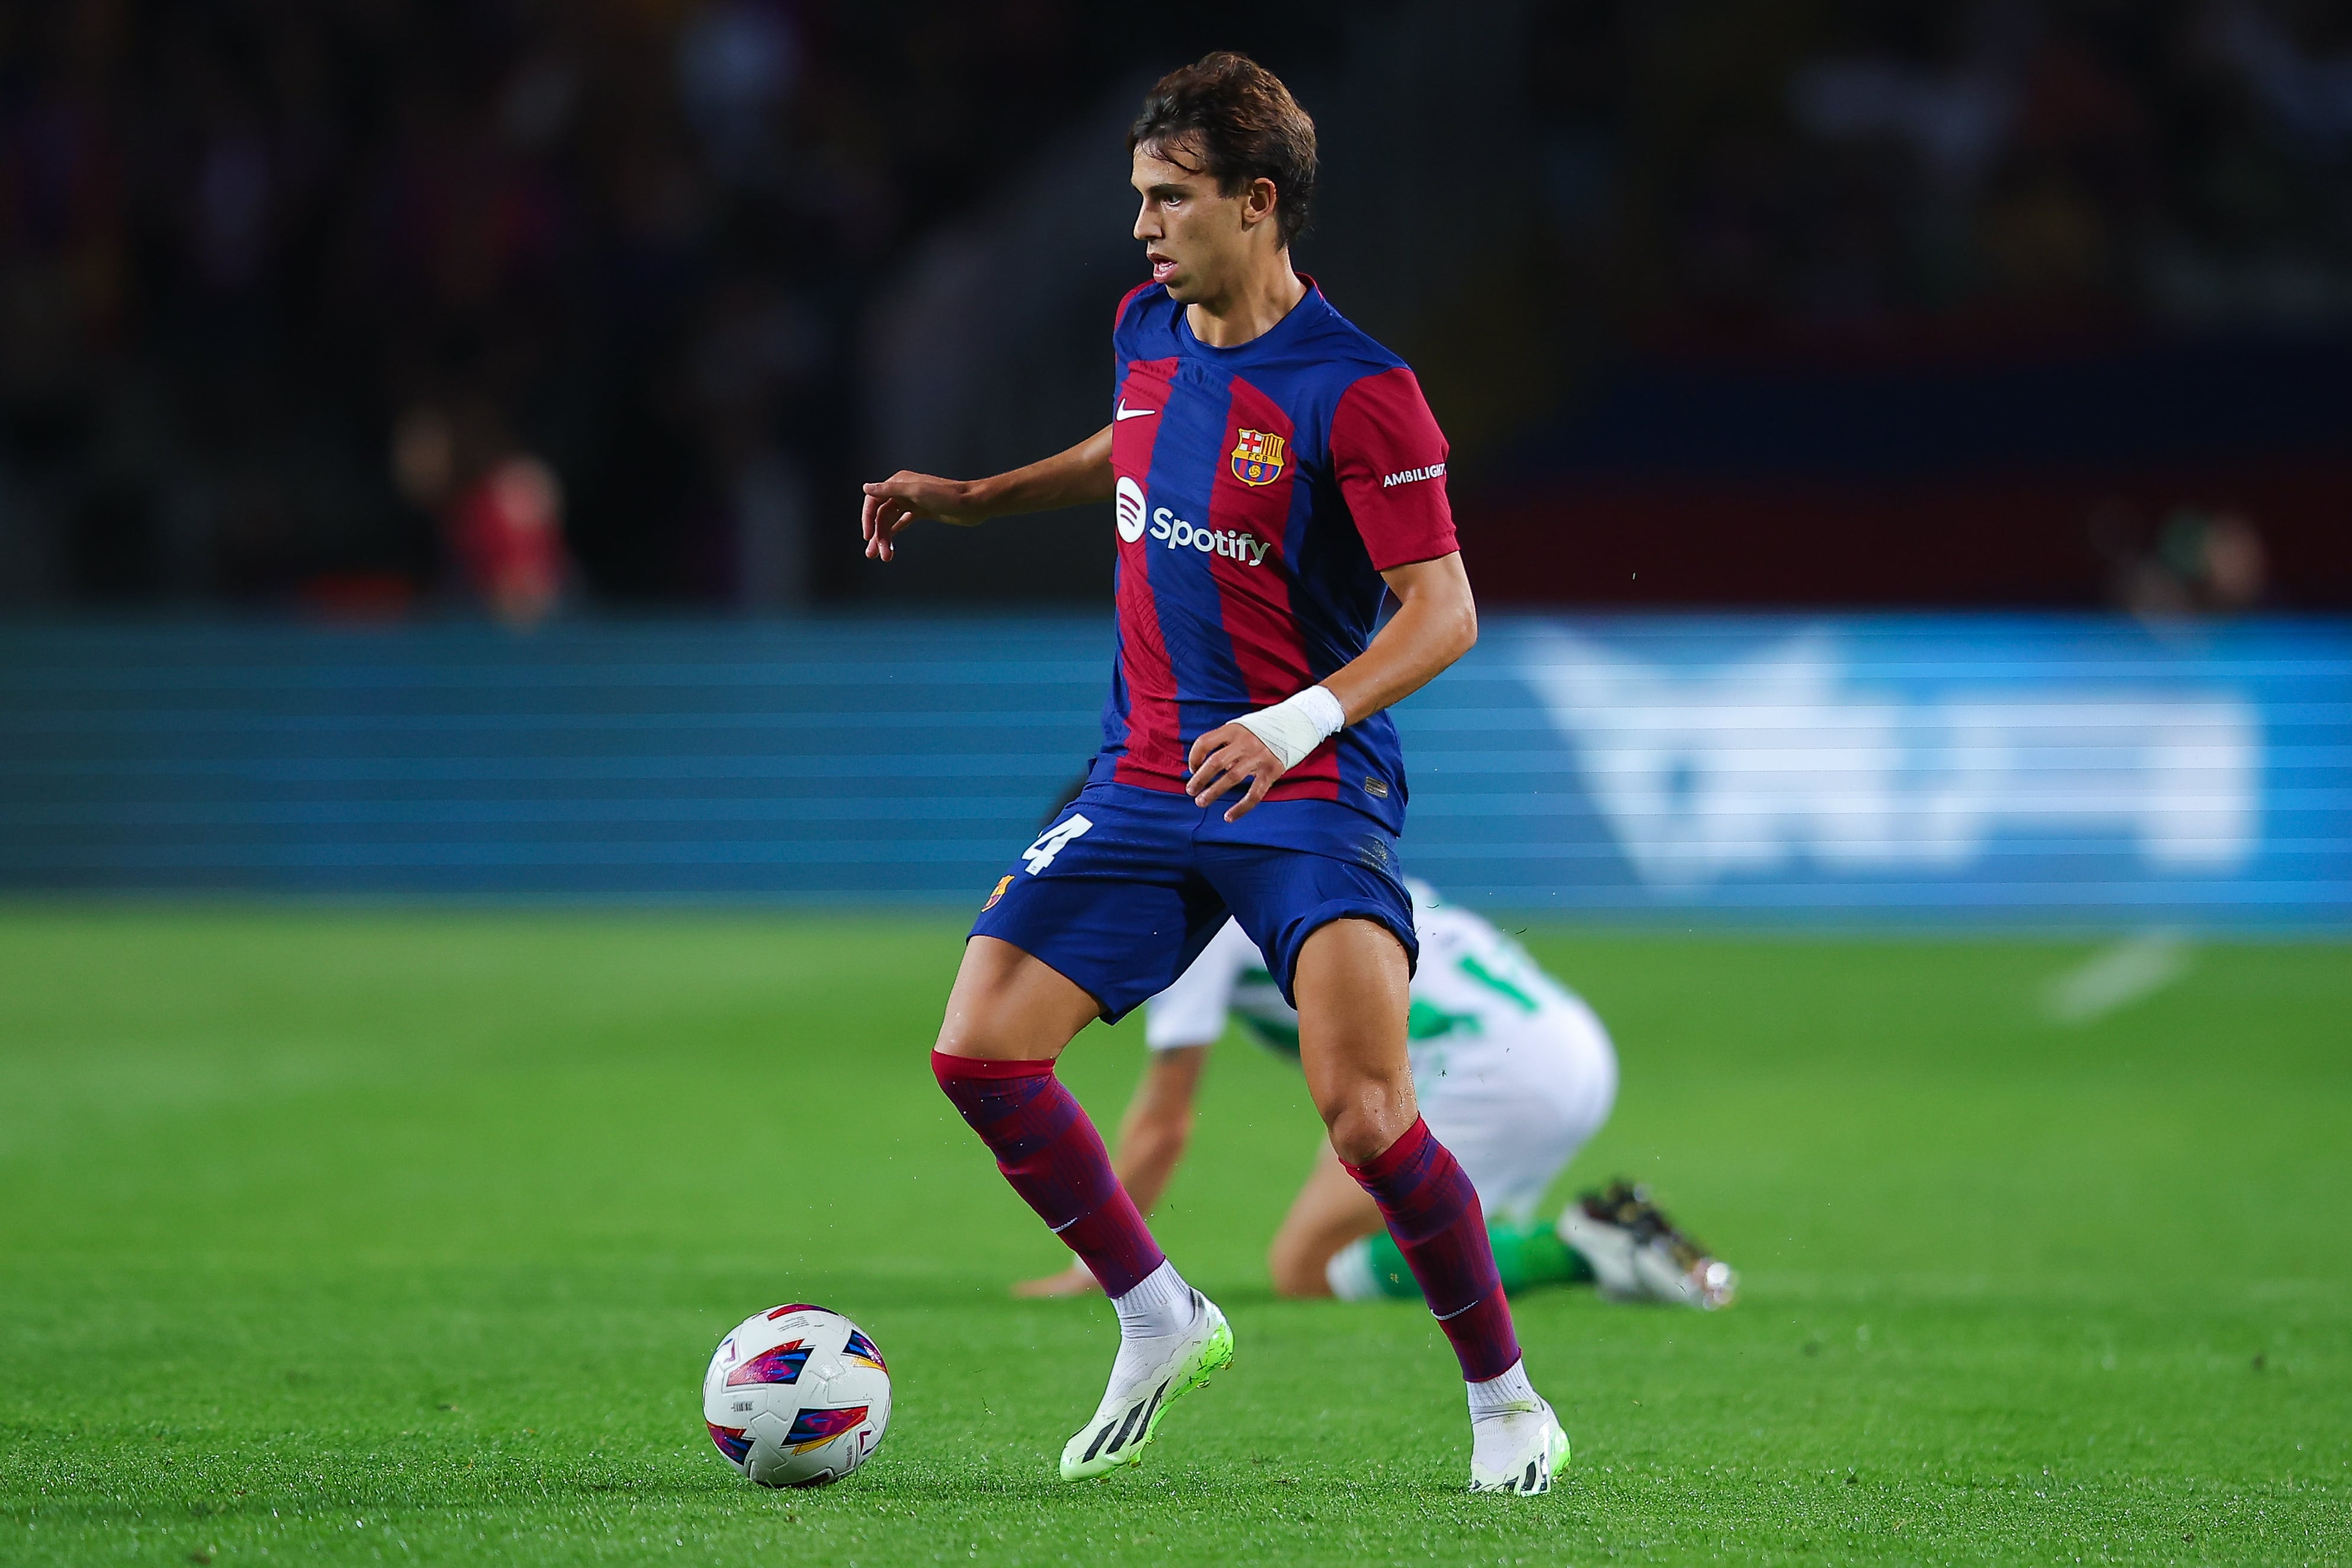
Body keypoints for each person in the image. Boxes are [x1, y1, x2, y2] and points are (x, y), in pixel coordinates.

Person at [859, 54, 1564, 1493]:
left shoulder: (1362, 393)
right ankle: (1157, 1312)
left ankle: (1508, 1405)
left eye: (1170, 199)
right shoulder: (1145, 328)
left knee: (1367, 1117)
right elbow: (1136, 442)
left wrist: (1295, 725)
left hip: (1306, 787)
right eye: (1136, 197)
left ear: (1258, 204)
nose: (1142, 226)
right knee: (980, 1049)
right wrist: (982, 498)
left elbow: (1445, 612)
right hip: (1142, 774)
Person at [1013, 879, 1738, 1312]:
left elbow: (1165, 1120)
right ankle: (1591, 1243)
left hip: (1488, 1069)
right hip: (1567, 1044)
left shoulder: (1201, 911)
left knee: (1309, 1267)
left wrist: (1096, 1269)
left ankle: (1582, 1246)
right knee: (1395, 1231)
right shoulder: (1312, 855)